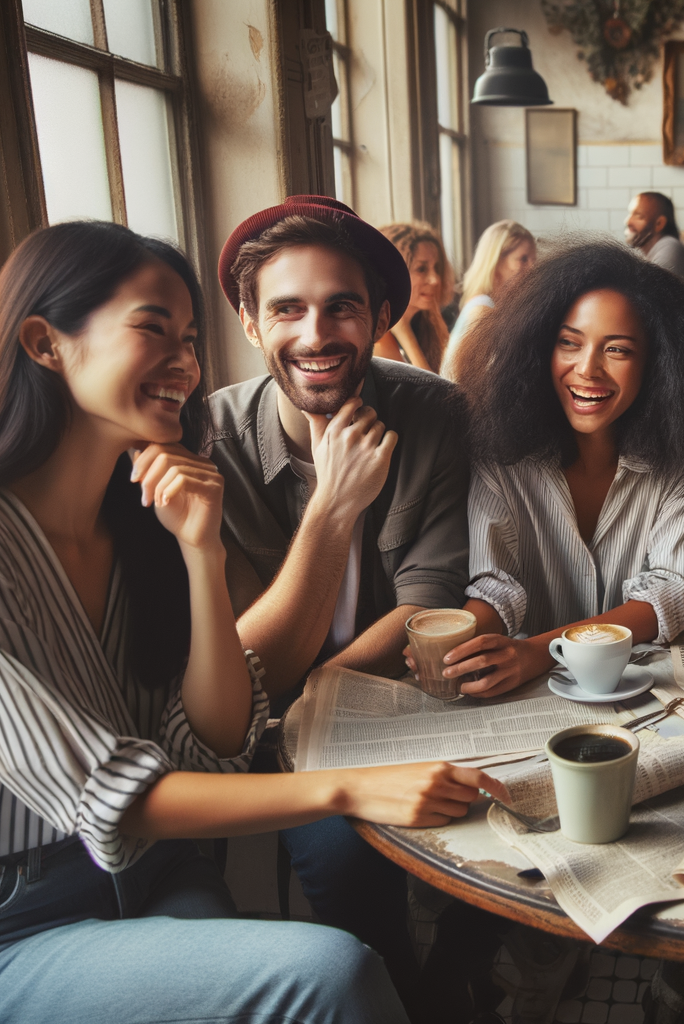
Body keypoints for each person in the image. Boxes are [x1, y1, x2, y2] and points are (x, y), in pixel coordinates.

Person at [0, 221, 504, 1024]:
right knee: (329, 975)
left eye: (190, 337)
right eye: (151, 329)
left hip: (150, 879)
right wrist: (351, 787)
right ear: (44, 342)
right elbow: (116, 798)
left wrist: (200, 554)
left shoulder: (140, 512)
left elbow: (216, 736)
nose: (185, 363)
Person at [207, 194, 475, 1017]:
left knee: (508, 812)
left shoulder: (434, 414)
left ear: (380, 315)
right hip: (263, 739)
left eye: (342, 307)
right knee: (346, 867)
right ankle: (401, 996)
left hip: (400, 697)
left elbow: (429, 606)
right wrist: (331, 504)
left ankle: (457, 985)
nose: (316, 334)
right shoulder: (209, 439)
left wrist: (320, 690)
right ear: (251, 323)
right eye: (286, 308)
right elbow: (251, 669)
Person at [418, 240, 684, 698]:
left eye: (618, 350)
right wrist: (460, 645)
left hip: (643, 690)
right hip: (530, 698)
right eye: (569, 342)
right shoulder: (501, 454)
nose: (587, 370)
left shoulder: (676, 459)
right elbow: (495, 583)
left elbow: (670, 592)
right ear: (539, 347)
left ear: (657, 364)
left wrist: (542, 651)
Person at [445, 219, 535, 381]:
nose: (532, 268)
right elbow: (464, 380)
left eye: (533, 260)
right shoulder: (482, 309)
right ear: (496, 261)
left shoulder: (491, 306)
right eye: (523, 259)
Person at [377, 220, 455, 373]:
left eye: (437, 268)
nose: (435, 280)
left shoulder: (426, 322)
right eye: (421, 269)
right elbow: (431, 392)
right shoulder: (379, 343)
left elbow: (454, 378)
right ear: (395, 272)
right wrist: (404, 332)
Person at [624, 191, 684, 291]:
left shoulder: (671, 246)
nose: (628, 222)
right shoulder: (648, 252)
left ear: (659, 224)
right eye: (630, 214)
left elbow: (646, 294)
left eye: (639, 216)